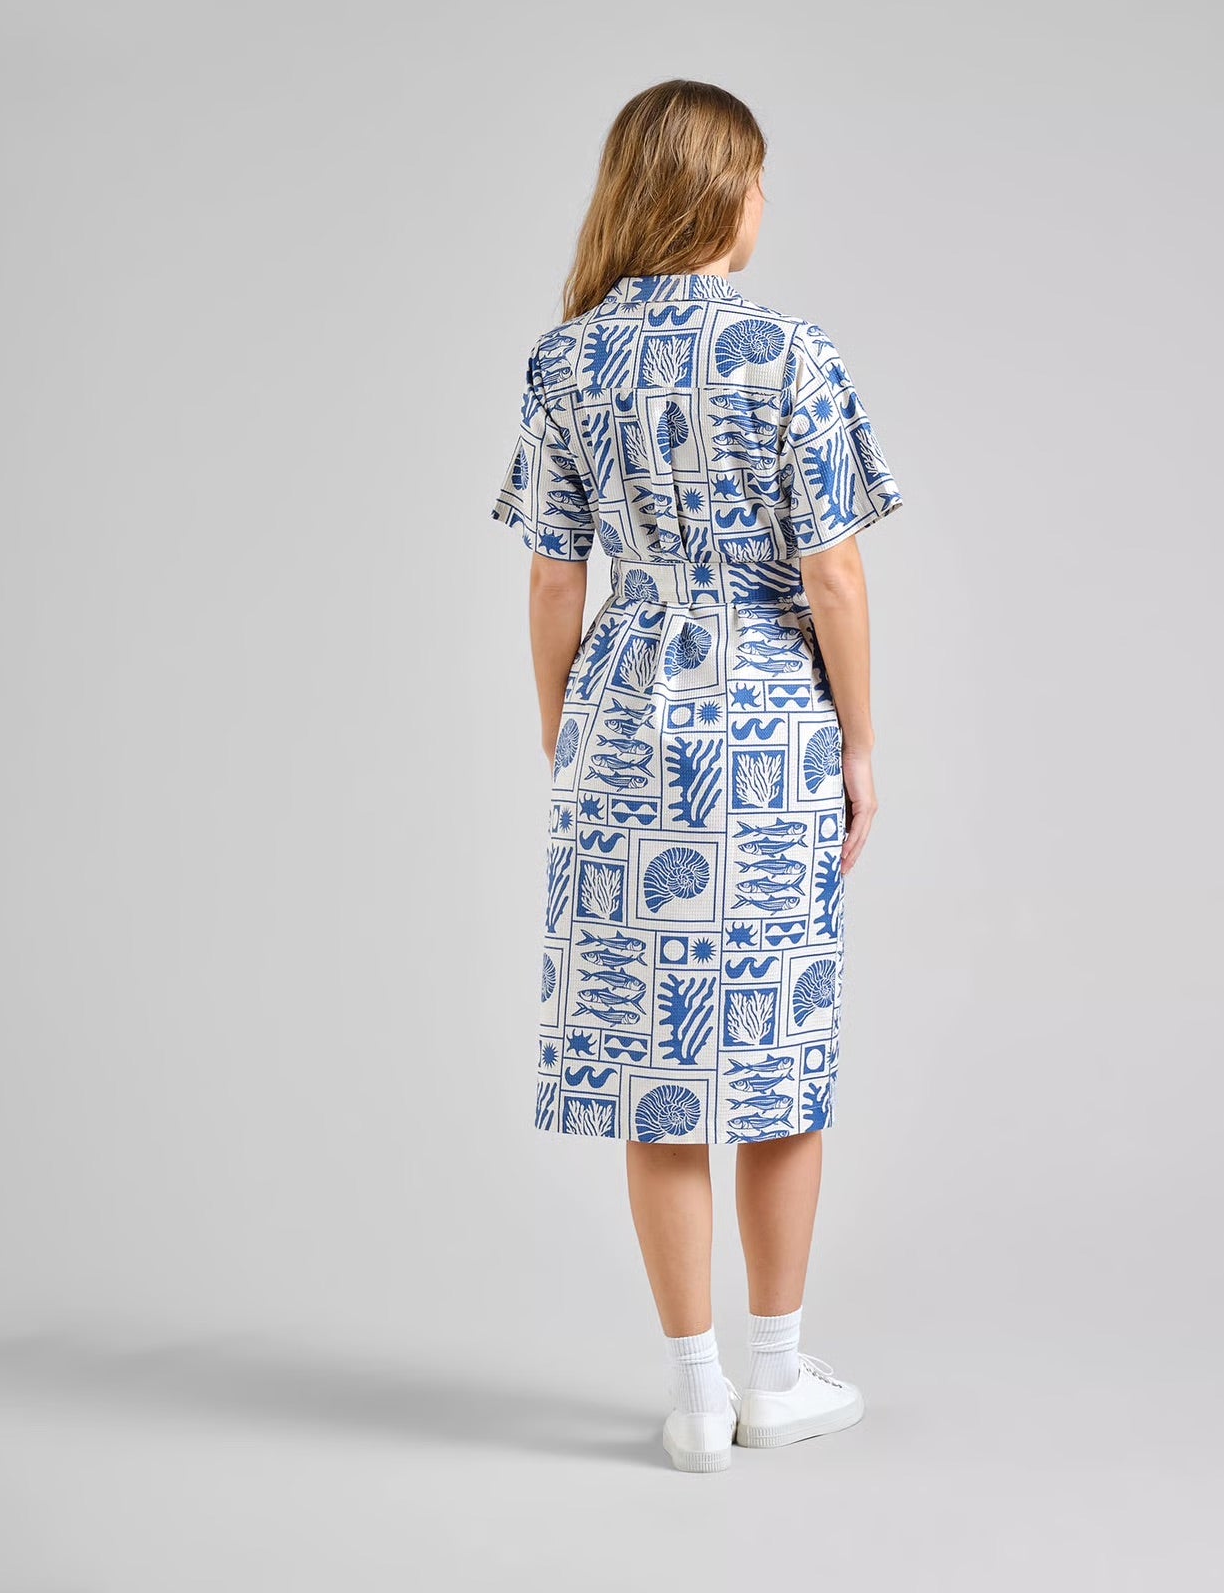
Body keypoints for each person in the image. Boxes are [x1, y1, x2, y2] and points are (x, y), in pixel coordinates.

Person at [490, 79, 904, 1473]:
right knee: (776, 1050)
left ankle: (693, 1394)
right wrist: (860, 743)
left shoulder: (567, 361)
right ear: (729, 191)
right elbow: (835, 576)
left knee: (656, 1064)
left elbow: (554, 581)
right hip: (768, 722)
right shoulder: (790, 352)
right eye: (760, 178)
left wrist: (566, 732)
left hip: (623, 720)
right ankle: (777, 1376)